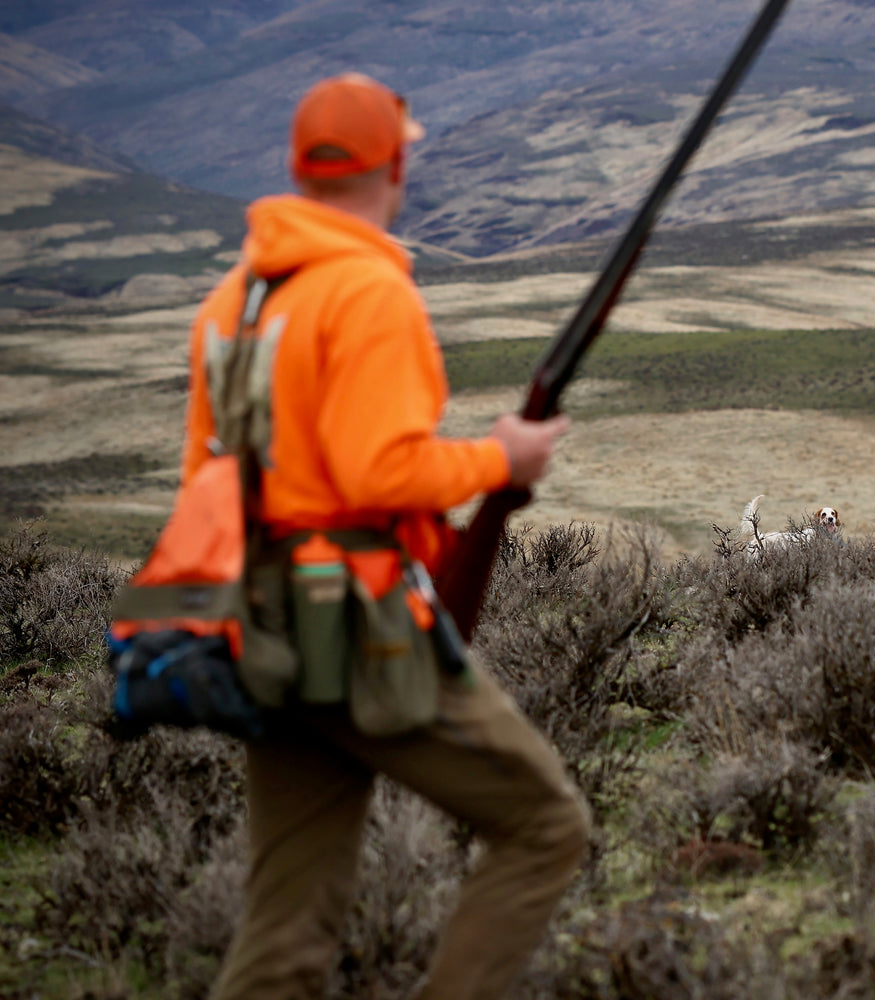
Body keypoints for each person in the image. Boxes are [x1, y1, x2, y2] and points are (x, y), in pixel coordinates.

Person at [185, 73, 588, 999]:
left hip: (256, 619)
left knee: (285, 932)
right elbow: (378, 472)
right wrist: (500, 458)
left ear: (300, 168)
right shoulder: (368, 290)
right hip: (352, 624)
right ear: (396, 165)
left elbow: (205, 477)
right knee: (545, 827)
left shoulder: (236, 300)